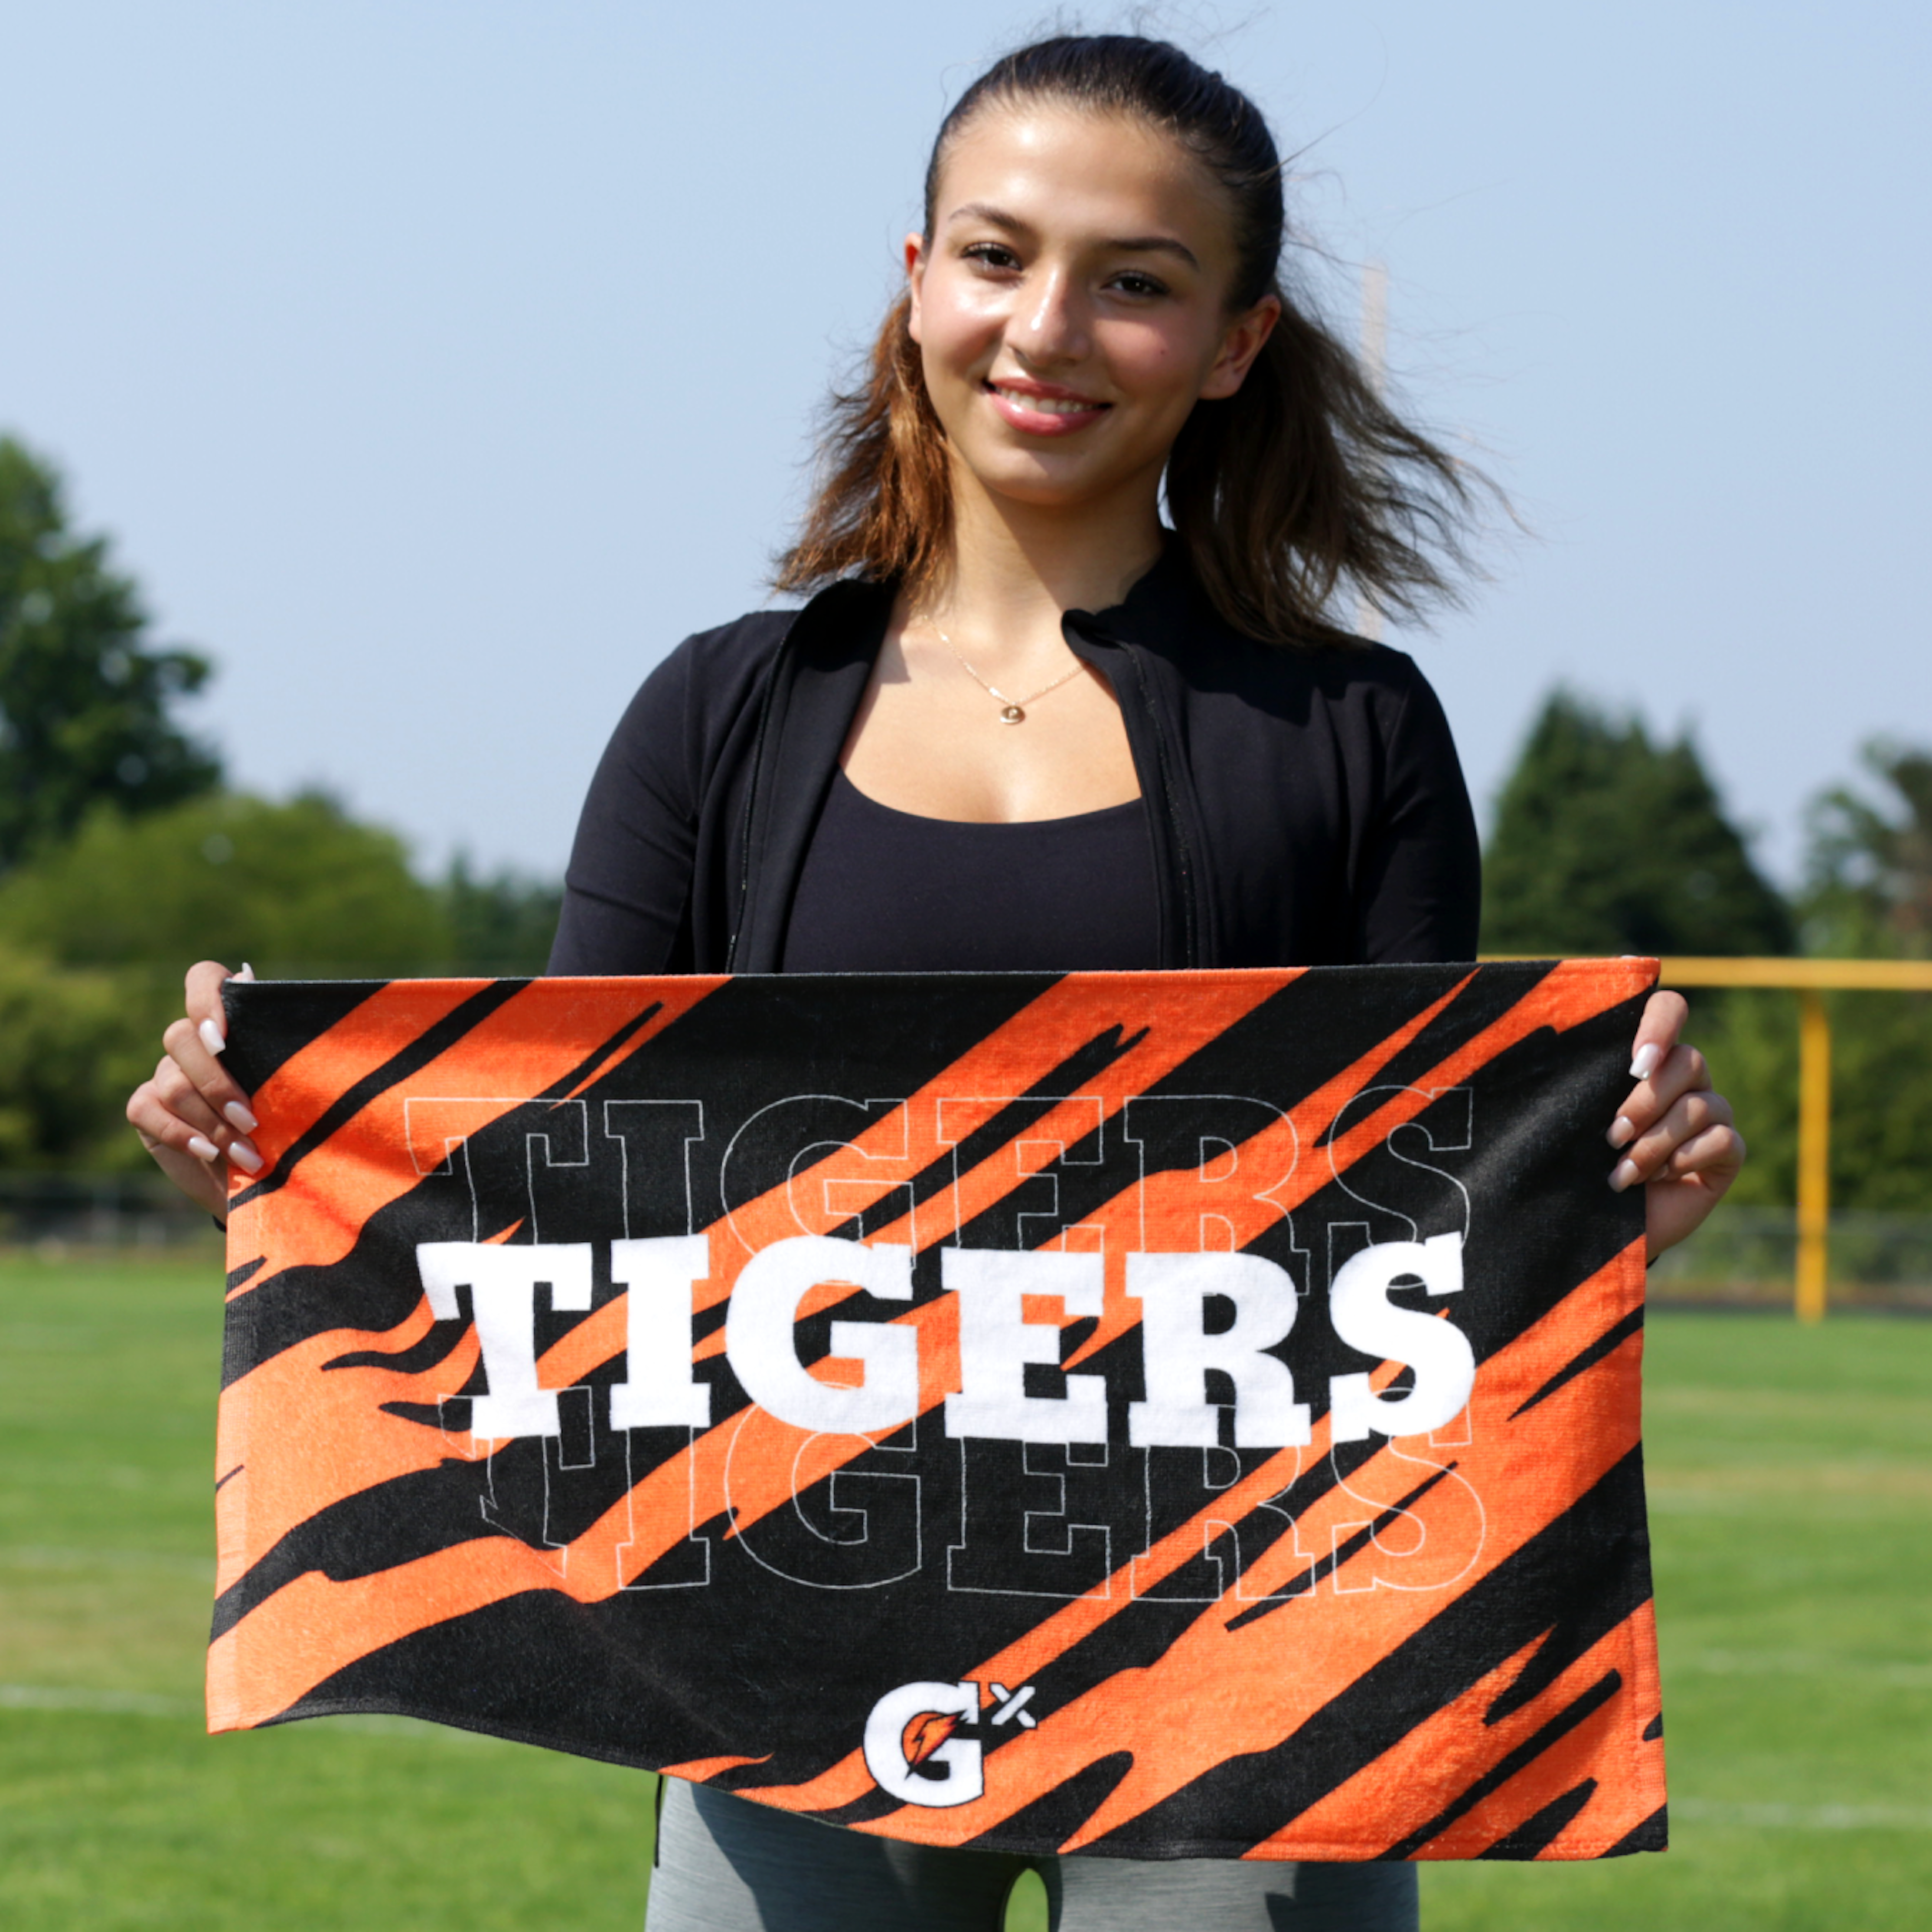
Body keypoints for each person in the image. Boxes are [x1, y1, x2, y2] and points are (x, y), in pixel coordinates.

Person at [126, 33, 1744, 1932]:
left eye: (1134, 281)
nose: (1047, 327)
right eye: (997, 257)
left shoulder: (1354, 730)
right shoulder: (718, 718)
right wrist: (268, 1147)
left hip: (1251, 1685)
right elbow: (558, 1192)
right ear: (917, 288)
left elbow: (1422, 1213)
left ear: (1234, 342)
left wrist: (1620, 1195)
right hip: (778, 1660)